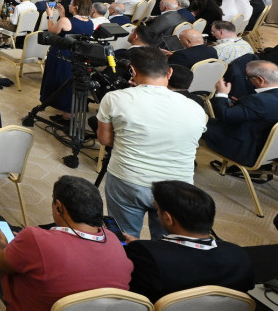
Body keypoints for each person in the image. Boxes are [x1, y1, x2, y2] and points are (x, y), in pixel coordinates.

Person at [0, 175, 132, 311]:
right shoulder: (114, 241)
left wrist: (2, 242)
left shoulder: (36, 238)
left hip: (28, 304)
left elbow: (2, 262)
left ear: (59, 207)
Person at [96, 47, 207, 238]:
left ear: (133, 70)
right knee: (167, 241)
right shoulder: (195, 107)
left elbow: (105, 139)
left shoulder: (115, 98)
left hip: (128, 178)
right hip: (177, 186)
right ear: (169, 72)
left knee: (125, 236)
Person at [123, 181, 253, 302]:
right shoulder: (239, 255)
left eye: (158, 210)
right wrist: (150, 247)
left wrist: (145, 247)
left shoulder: (146, 256)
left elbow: (134, 299)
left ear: (168, 218)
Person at [204, 60, 278, 168]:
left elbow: (224, 115)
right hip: (269, 151)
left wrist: (221, 94)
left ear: (260, 80)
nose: (248, 80)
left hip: (244, 150)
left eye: (248, 78)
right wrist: (243, 104)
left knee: (196, 122)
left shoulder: (260, 101)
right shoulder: (266, 99)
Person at [39, 0, 95, 117]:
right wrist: (63, 14)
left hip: (62, 54)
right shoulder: (90, 23)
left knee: (58, 80)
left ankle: (63, 110)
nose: (68, 5)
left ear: (76, 7)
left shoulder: (66, 21)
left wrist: (50, 16)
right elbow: (69, 29)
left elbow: (52, 31)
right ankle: (68, 110)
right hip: (77, 55)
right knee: (69, 82)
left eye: (71, 3)